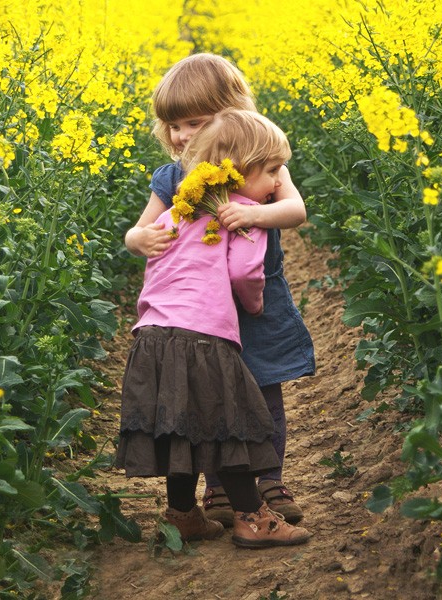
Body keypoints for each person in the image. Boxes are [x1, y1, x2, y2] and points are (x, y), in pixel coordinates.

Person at [125, 53, 315, 526]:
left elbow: (295, 211)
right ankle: (222, 491)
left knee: (262, 389)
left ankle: (270, 479)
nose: (183, 136)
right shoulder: (172, 177)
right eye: (173, 126)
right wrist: (140, 240)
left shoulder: (261, 164)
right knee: (214, 399)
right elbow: (138, 231)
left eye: (195, 122)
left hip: (255, 304)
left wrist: (255, 213)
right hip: (203, 311)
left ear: (232, 115)